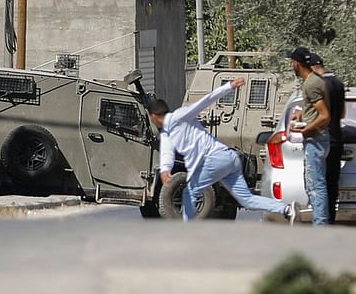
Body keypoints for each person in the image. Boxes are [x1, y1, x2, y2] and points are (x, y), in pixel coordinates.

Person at [147, 78, 300, 224]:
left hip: (215, 158)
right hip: (229, 158)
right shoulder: (166, 133)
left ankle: (187, 231)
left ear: (154, 116)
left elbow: (204, 101)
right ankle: (287, 209)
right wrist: (165, 169)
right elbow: (167, 152)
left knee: (190, 192)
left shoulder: (179, 116)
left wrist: (229, 87)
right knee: (246, 199)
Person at [288, 47, 331, 226]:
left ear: (297, 64)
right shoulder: (315, 81)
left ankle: (320, 227)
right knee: (312, 184)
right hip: (318, 139)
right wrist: (302, 116)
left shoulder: (311, 84)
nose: (291, 66)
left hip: (316, 140)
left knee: (316, 187)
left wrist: (306, 130)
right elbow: (316, 112)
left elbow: (324, 115)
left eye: (292, 63)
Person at [310, 52, 345, 224]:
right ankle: (330, 219)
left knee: (318, 183)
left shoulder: (318, 84)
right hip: (337, 138)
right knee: (332, 184)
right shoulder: (338, 83)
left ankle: (320, 221)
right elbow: (343, 113)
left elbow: (320, 114)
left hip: (321, 138)